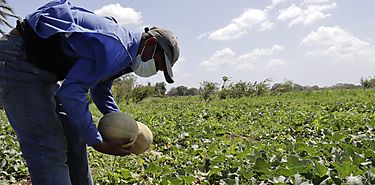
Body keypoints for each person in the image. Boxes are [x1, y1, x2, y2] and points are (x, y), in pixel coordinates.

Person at [0, 0, 180, 184]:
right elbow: (71, 93)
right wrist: (98, 142)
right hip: (17, 60)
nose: (155, 71)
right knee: (48, 146)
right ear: (150, 44)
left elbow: (100, 90)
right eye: (158, 64)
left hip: (40, 68)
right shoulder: (115, 48)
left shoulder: (126, 54)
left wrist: (122, 124)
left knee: (75, 135)